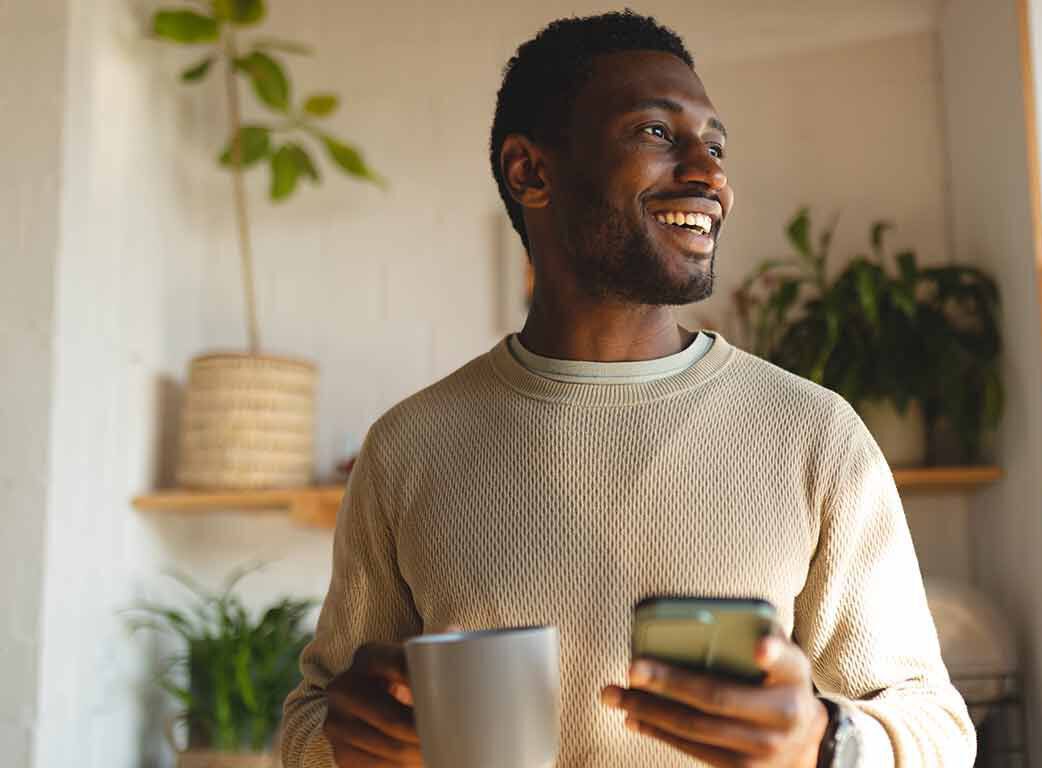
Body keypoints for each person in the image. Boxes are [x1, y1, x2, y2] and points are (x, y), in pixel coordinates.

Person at [280, 10, 974, 767]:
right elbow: (310, 723)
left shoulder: (815, 435)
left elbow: (939, 729)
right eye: (656, 133)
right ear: (530, 171)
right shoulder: (409, 447)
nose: (711, 176)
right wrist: (345, 742)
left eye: (714, 145)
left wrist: (822, 740)